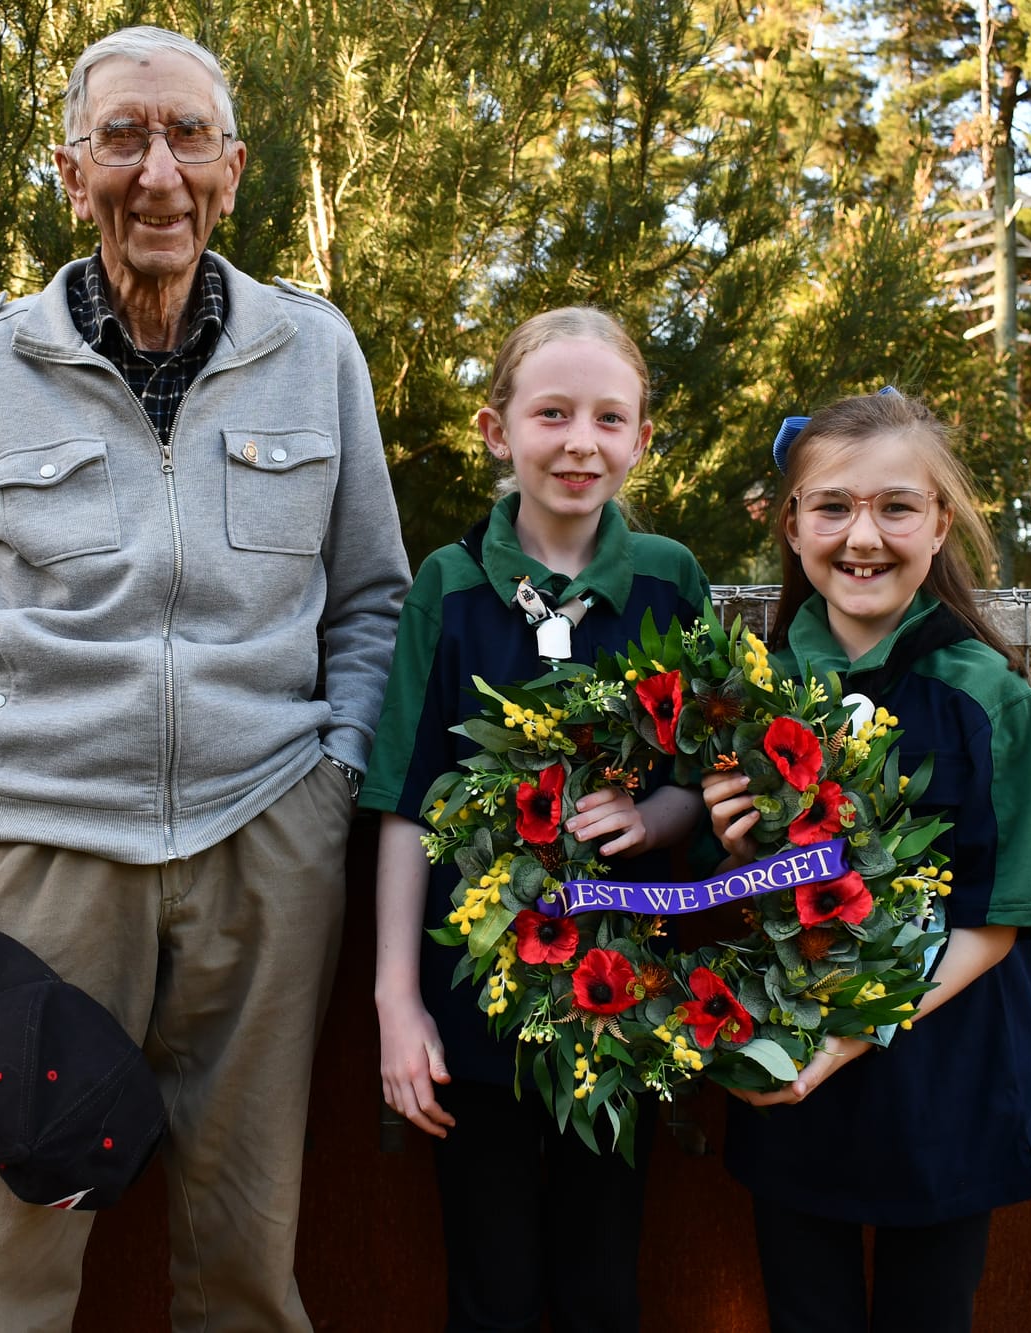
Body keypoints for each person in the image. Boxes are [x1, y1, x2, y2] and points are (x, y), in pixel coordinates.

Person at [0, 25, 410, 1332]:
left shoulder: (315, 354)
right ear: (70, 170)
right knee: (7, 1276)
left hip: (263, 853)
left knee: (244, 1266)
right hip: (38, 863)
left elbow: (374, 600)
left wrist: (328, 784)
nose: (156, 171)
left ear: (232, 168)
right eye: (122, 137)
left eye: (186, 137)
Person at [362, 307, 711, 1332]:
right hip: (474, 1010)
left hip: (624, 999)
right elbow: (402, 799)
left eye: (609, 418)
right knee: (491, 1285)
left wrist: (653, 818)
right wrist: (395, 1001)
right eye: (550, 412)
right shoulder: (448, 584)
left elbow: (709, 768)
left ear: (641, 439)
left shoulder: (668, 579)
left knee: (600, 1281)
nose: (578, 441)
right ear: (494, 428)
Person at [701, 388, 1031, 1333]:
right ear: (791, 526)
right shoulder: (758, 686)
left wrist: (848, 1037)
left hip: (938, 1080)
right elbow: (769, 892)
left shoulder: (990, 700)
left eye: (896, 506)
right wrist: (738, 841)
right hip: (794, 1076)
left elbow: (997, 920)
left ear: (940, 522)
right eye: (833, 506)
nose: (862, 535)